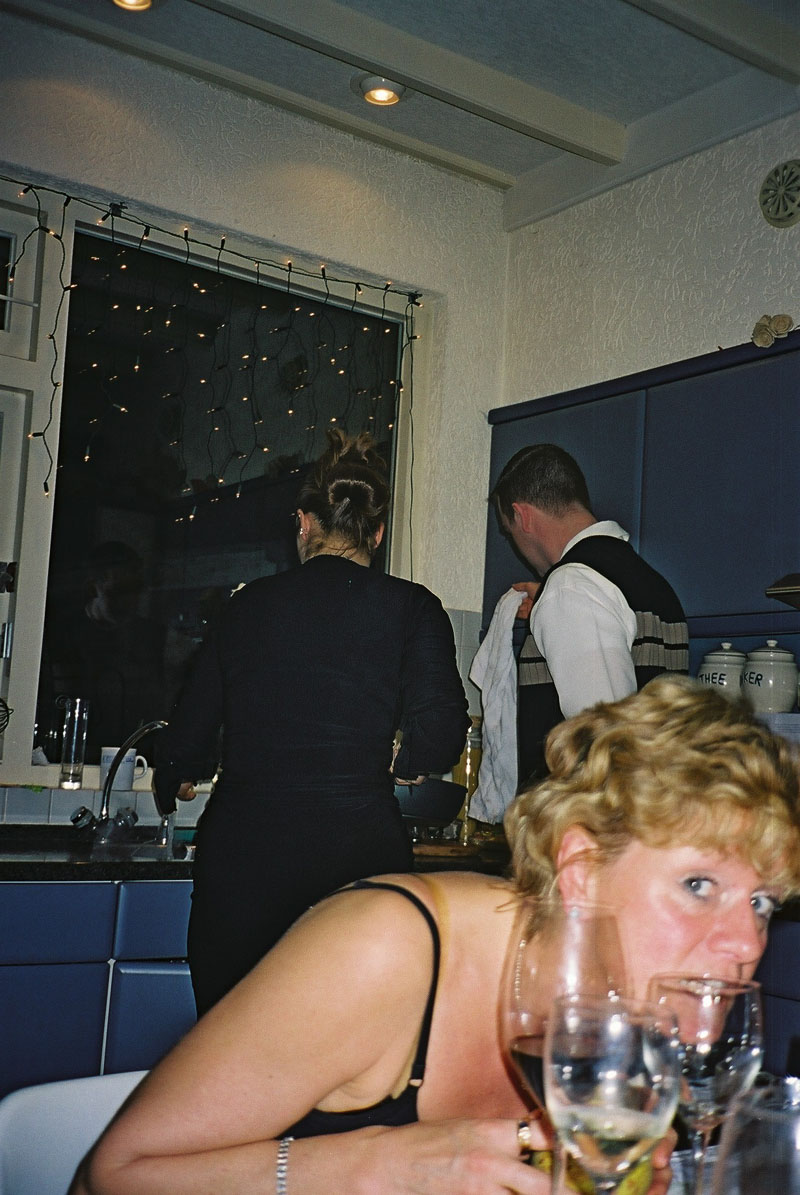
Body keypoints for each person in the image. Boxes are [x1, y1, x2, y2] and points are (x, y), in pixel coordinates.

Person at [70, 676, 800, 1195]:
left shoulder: (644, 1018)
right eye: (698, 885)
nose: (746, 943)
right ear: (580, 869)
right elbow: (111, 1177)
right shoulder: (387, 948)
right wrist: (378, 1166)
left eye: (763, 902)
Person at [154, 429, 470, 1014]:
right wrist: (405, 761)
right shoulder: (413, 607)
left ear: (303, 524)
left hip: (244, 869)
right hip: (357, 865)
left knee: (236, 1046)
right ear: (377, 533)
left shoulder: (244, 606)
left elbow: (187, 739)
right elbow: (442, 732)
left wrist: (179, 773)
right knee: (351, 1053)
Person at [490, 443, 688, 782]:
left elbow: (604, 744)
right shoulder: (651, 584)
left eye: (510, 533)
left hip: (590, 812)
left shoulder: (570, 588)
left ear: (522, 516)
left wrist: (559, 598)